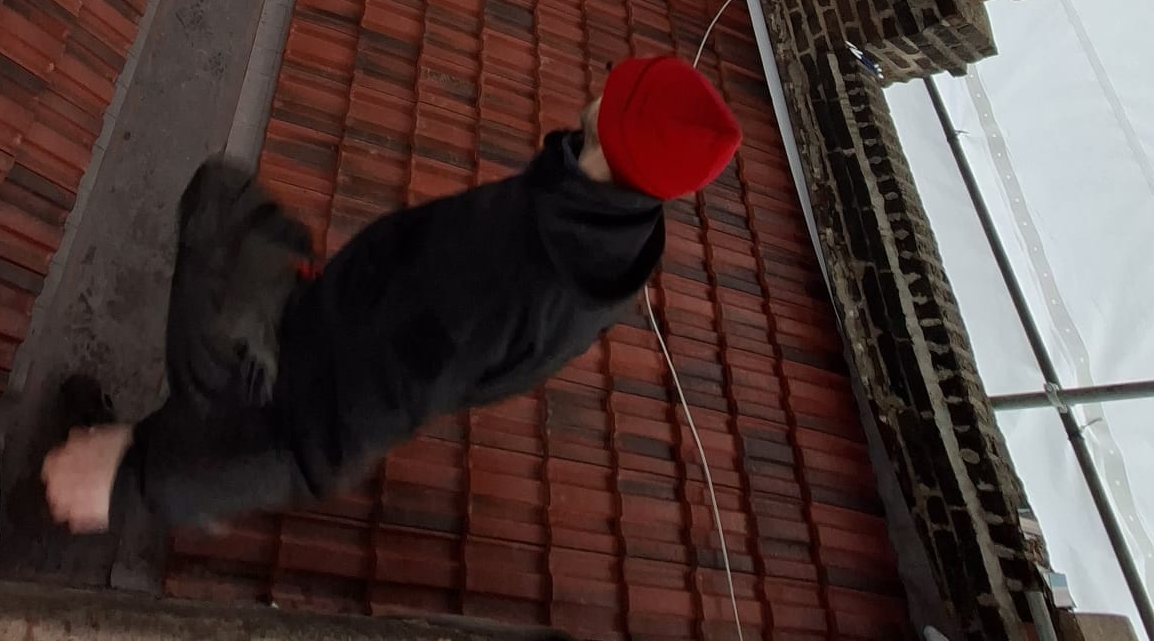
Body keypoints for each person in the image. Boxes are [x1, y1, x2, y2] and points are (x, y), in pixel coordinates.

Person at [42, 54, 741, 534]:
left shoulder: (505, 275)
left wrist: (132, 485)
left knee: (217, 219)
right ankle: (156, 448)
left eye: (620, 85)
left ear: (612, 131)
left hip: (295, 379)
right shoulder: (606, 224)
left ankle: (128, 470)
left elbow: (329, 443)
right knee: (228, 210)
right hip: (336, 316)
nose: (606, 77)